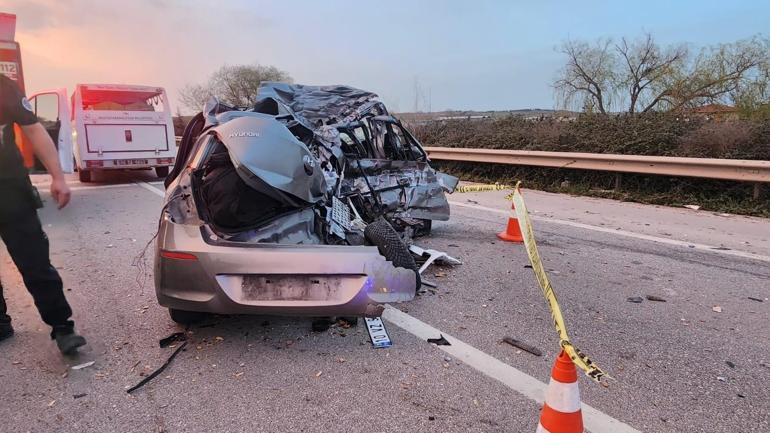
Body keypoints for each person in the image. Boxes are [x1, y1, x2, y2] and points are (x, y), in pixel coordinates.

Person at [0, 74, 86, 354]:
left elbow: (34, 130)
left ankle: (62, 326)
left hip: (9, 191)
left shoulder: (3, 86)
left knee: (35, 261)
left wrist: (58, 177)